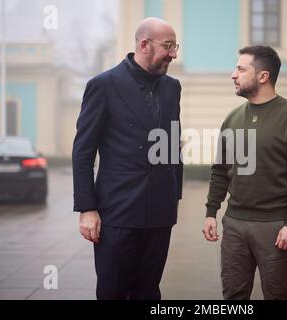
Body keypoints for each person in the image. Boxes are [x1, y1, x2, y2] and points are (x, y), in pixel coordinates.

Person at [72, 18, 183, 300]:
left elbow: (172, 142)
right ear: (144, 45)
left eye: (175, 46)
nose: (173, 54)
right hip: (117, 212)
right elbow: (83, 152)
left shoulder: (173, 87)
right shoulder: (103, 85)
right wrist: (87, 208)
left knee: (149, 292)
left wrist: (174, 196)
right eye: (168, 46)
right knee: (114, 292)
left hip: (159, 212)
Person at [202, 45, 287, 300]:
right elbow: (220, 170)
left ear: (263, 76)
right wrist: (211, 211)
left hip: (276, 227)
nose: (233, 75)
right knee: (233, 297)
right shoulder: (232, 119)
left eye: (241, 69)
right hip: (234, 223)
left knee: (276, 296)